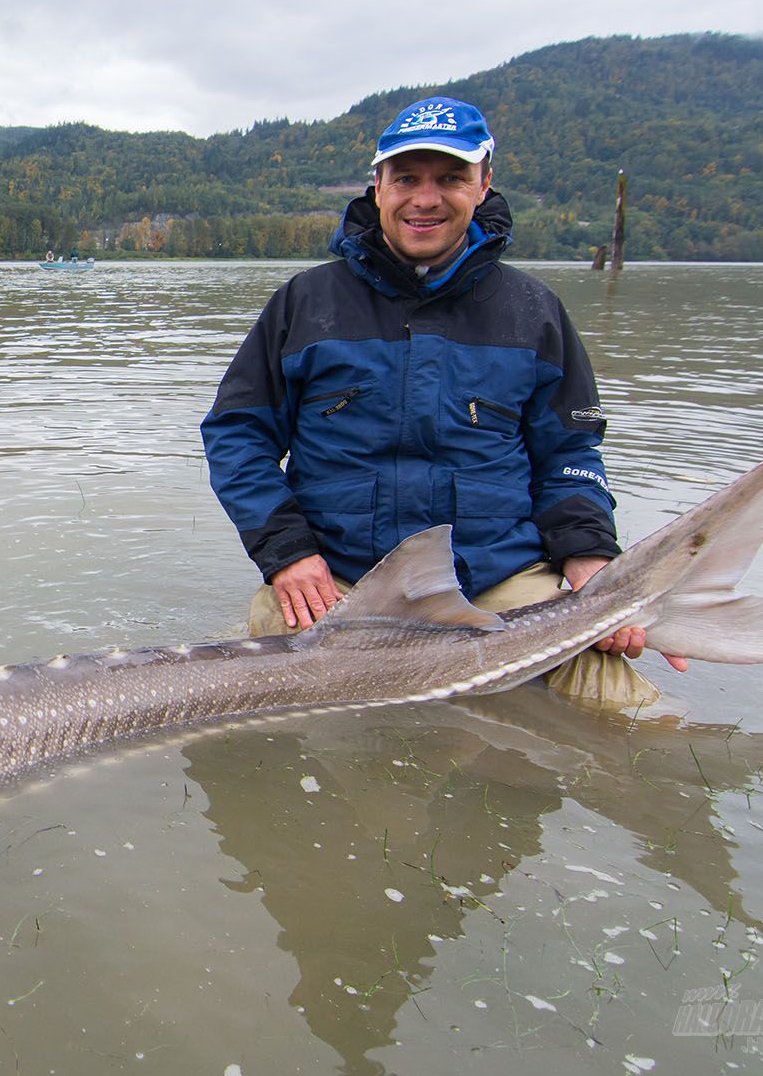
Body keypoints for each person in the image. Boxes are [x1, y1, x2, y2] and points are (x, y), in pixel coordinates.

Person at [200, 95, 681, 703]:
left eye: (450, 178)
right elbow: (237, 436)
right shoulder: (304, 304)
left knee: (635, 726)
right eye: (406, 179)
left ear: (482, 186)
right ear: (377, 187)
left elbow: (570, 454)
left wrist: (589, 556)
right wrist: (289, 554)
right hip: (340, 582)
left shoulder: (535, 313)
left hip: (501, 580)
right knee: (288, 733)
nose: (425, 198)